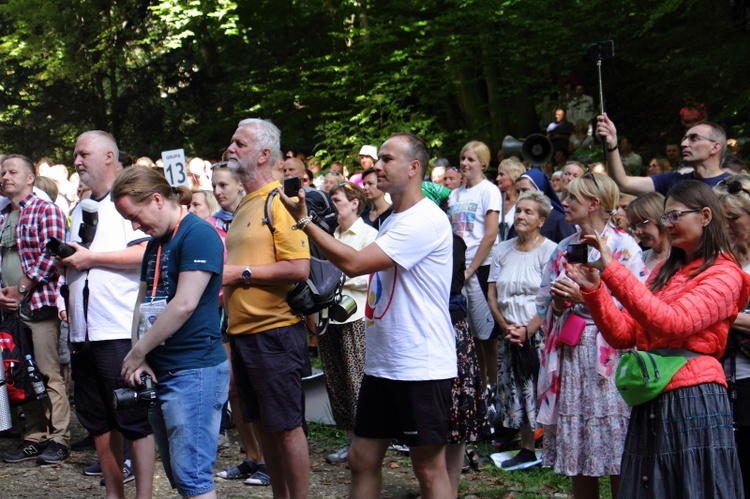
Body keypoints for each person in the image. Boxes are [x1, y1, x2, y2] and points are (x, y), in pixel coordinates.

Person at [279, 132, 457, 499]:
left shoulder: (425, 219)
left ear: (414, 168)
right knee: (361, 457)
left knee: (427, 467)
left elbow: (356, 263)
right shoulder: (394, 218)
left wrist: (304, 222)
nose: (377, 165)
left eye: (387, 159)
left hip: (420, 365)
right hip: (384, 365)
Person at [566, 180, 748, 498]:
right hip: (651, 394)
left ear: (705, 216)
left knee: (692, 488)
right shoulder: (664, 272)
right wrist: (595, 291)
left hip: (694, 397)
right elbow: (624, 335)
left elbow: (672, 324)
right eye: (665, 217)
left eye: (675, 215)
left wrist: (612, 269)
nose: (669, 224)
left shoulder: (725, 274)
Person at [113, 167, 228, 499]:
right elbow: (142, 302)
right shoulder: (156, 243)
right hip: (164, 369)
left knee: (193, 476)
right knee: (182, 475)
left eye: (135, 216)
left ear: (157, 199)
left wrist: (135, 354)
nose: (134, 226)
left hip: (194, 369)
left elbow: (184, 305)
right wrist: (142, 355)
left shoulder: (198, 235)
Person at [537, 173, 647, 499]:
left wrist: (585, 297)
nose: (565, 203)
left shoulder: (623, 246)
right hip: (572, 353)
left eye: (572, 198)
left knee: (616, 451)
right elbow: (546, 301)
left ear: (594, 204)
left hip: (612, 354)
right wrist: (558, 301)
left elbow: (638, 302)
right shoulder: (564, 247)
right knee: (578, 451)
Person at [60, 131, 155, 498]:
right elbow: (81, 259)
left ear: (109, 156)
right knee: (97, 421)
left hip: (117, 329)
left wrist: (91, 259)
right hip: (83, 330)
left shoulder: (130, 200)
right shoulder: (81, 208)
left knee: (133, 418)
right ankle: (115, 493)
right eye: (75, 155)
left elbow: (147, 253)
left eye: (83, 153)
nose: (77, 161)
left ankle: (143, 495)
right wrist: (66, 265)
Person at [222, 118, 311, 499]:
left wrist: (238, 273)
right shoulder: (245, 203)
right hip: (243, 334)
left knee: (287, 428)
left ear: (262, 154)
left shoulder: (279, 201)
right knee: (266, 429)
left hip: (274, 332)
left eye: (239, 143)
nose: (230, 148)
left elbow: (298, 268)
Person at [0, 155, 70, 466]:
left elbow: (52, 255)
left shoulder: (46, 210)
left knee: (47, 371)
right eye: (3, 172)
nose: (5, 176)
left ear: (30, 178)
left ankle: (59, 437)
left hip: (38, 306)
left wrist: (22, 287)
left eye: (13, 172)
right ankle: (33, 435)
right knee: (16, 373)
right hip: (8, 308)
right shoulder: (2, 215)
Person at [487, 191, 557, 470]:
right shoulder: (502, 249)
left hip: (538, 333)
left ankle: (552, 448)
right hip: (509, 331)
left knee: (542, 389)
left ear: (541, 220)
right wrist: (507, 327)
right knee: (515, 391)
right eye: (518, 210)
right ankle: (527, 449)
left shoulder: (550, 250)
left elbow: (550, 295)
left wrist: (528, 330)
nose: (520, 216)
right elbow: (492, 294)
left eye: (528, 212)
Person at [320, 182, 377, 464]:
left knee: (357, 381)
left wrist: (342, 277)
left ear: (354, 203)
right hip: (329, 314)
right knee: (337, 380)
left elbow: (375, 275)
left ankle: (364, 442)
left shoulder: (369, 235)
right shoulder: (330, 234)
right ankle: (351, 438)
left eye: (337, 201)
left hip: (355, 316)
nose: (333, 207)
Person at [448, 141, 501, 391]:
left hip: (480, 269)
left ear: (483, 163)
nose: (464, 164)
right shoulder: (455, 194)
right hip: (460, 270)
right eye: (462, 158)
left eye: (470, 159)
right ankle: (478, 393)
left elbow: (489, 235)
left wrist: (471, 268)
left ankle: (497, 394)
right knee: (470, 337)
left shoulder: (489, 190)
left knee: (487, 337)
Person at [714, 174, 750, 497]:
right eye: (721, 220)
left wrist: (722, 314)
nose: (726, 227)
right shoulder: (719, 260)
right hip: (722, 376)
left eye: (734, 219)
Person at [597, 113, 730, 196]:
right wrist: (611, 144)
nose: (684, 144)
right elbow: (623, 183)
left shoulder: (735, 186)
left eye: (694, 138)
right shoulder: (672, 181)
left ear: (715, 147)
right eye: (684, 139)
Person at [510, 168, 575, 243]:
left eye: (525, 190)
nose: (520, 195)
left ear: (540, 190)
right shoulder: (519, 218)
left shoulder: (560, 220)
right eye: (518, 191)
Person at [625, 192, 670, 271]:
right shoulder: (638, 260)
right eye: (633, 226)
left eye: (641, 223)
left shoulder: (684, 257)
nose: (637, 231)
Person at [496, 158, 526, 239]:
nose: (497, 179)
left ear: (514, 177)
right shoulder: (495, 200)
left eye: (501, 175)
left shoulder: (523, 202)